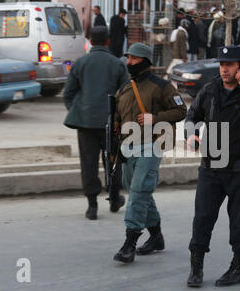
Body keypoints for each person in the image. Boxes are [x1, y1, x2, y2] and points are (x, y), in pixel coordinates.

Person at [184, 46, 240, 287]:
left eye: (229, 65)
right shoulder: (209, 90)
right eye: (222, 64)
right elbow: (192, 116)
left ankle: (238, 268)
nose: (224, 69)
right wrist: (191, 135)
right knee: (202, 217)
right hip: (211, 165)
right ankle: (196, 267)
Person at [113, 43, 187, 263]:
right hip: (127, 146)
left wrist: (155, 118)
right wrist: (116, 126)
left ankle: (129, 243)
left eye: (134, 59)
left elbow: (181, 110)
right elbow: (118, 114)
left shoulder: (161, 86)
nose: (129, 62)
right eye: (128, 58)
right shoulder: (125, 88)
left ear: (145, 61)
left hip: (150, 145)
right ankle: (156, 236)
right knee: (139, 191)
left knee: (137, 192)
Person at [63, 26, 128, 220]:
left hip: (85, 123)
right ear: (108, 41)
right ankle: (115, 199)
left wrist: (79, 111)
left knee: (88, 163)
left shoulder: (81, 63)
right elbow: (126, 95)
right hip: (111, 123)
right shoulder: (117, 64)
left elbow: (68, 94)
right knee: (113, 162)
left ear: (90, 41)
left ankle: (92, 206)